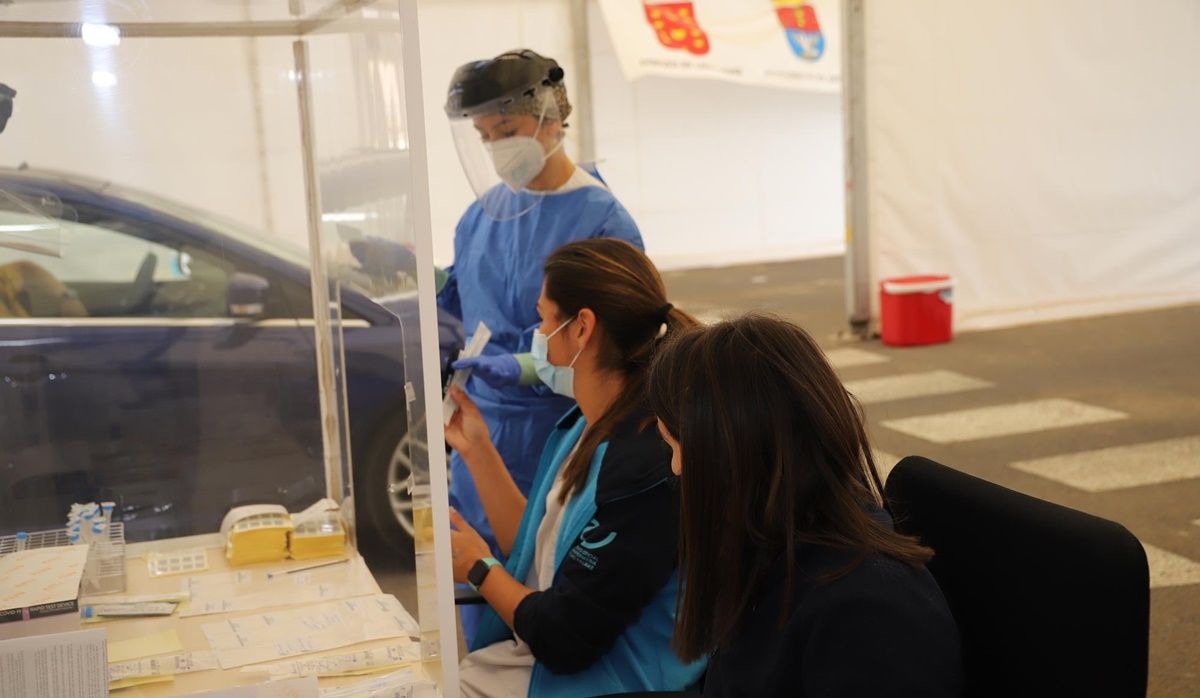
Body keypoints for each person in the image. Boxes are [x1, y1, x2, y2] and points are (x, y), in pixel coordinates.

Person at [437, 48, 643, 639]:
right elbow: (460, 302)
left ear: (552, 117)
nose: (497, 147)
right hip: (478, 443)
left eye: (506, 130)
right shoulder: (481, 216)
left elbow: (622, 351)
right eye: (484, 136)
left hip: (560, 445)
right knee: (476, 618)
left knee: (543, 610)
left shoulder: (604, 223)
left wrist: (532, 368)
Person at [647, 315, 963, 697]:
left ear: (736, 455)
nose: (676, 468)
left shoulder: (866, 619)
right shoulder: (773, 545)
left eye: (678, 447)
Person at [444, 239, 705, 697]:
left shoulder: (644, 463)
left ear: (582, 327)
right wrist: (478, 450)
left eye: (544, 318)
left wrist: (478, 568)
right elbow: (534, 552)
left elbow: (565, 637)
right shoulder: (583, 427)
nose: (537, 335)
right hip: (541, 668)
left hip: (606, 683)